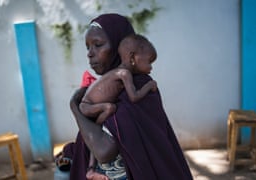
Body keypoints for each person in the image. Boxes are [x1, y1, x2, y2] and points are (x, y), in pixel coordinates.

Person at [55, 13, 193, 180]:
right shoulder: (106, 87)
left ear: (122, 49)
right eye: (88, 47)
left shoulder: (138, 87)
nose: (90, 54)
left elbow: (104, 151)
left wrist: (74, 107)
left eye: (98, 45)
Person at [80, 34, 158, 179]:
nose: (151, 67)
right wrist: (149, 86)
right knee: (110, 109)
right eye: (149, 62)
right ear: (133, 58)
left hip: (91, 107)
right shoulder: (124, 73)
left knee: (105, 117)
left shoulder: (120, 73)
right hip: (87, 107)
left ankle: (91, 169)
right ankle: (92, 168)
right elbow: (134, 97)